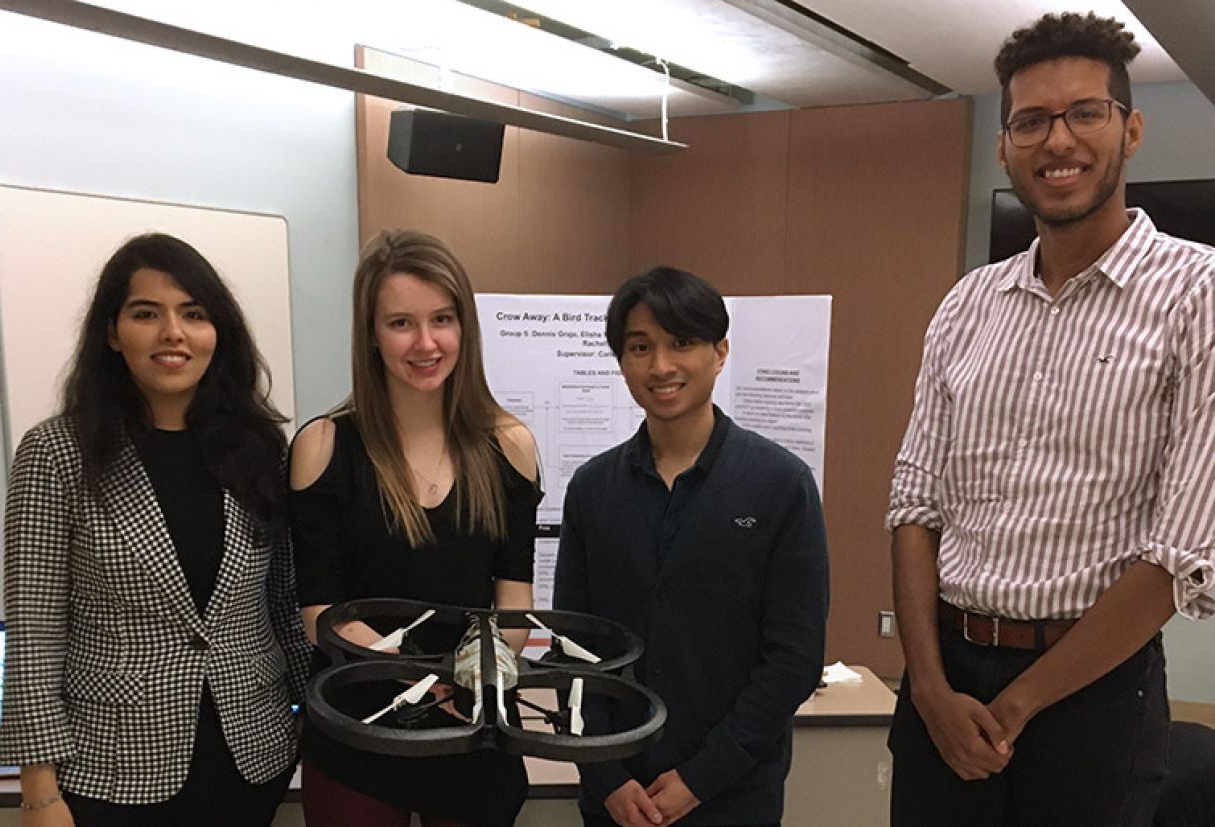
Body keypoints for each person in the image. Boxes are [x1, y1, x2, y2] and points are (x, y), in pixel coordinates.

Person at [887, 12, 1215, 827]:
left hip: (1091, 702)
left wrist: (1017, 705)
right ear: (1004, 147)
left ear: (1130, 130)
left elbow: (1179, 552)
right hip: (943, 680)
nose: (1057, 139)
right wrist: (927, 686)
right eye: (1030, 121)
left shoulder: (1197, 294)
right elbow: (914, 501)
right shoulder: (967, 303)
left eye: (1084, 113)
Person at [0, 233, 310, 826]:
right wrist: (38, 790)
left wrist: (320, 717)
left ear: (218, 332)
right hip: (113, 765)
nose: (173, 333)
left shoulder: (258, 448)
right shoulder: (57, 454)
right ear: (113, 333)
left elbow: (281, 603)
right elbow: (35, 632)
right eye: (146, 314)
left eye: (193, 314)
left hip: (253, 753)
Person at [554, 266, 830, 827]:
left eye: (681, 343)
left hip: (734, 797)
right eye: (640, 347)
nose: (661, 366)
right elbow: (572, 648)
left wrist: (699, 780)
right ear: (622, 361)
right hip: (616, 801)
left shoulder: (781, 484)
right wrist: (607, 778)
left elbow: (794, 659)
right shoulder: (592, 489)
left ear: (719, 352)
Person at [289, 228, 541, 827]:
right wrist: (428, 678)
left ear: (464, 328)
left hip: (471, 729)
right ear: (371, 334)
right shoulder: (324, 446)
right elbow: (321, 615)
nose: (426, 343)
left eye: (442, 319)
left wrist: (474, 679)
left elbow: (513, 602)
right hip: (358, 734)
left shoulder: (509, 446)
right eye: (401, 323)